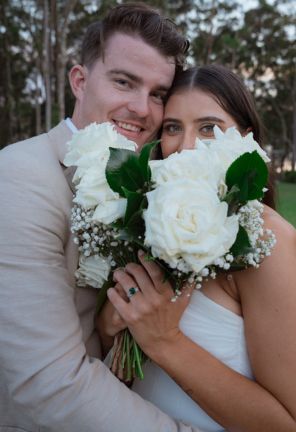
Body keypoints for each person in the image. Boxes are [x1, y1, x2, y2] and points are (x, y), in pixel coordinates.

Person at [0, 4, 209, 432]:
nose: (141, 108)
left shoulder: (150, 182)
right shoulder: (20, 176)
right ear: (80, 81)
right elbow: (48, 383)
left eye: (157, 94)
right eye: (123, 82)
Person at [98, 65, 296, 431]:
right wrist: (113, 328)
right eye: (173, 127)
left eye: (208, 128)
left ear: (244, 139)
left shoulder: (268, 240)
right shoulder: (150, 218)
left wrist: (164, 341)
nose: (186, 147)